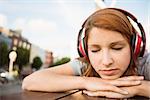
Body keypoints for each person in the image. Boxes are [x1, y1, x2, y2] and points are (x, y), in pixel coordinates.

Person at [22, 8, 150, 98]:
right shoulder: (85, 65)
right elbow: (30, 81)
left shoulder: (145, 63)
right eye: (95, 50)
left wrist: (139, 88)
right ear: (85, 50)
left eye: (117, 48)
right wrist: (87, 82)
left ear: (134, 46)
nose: (106, 62)